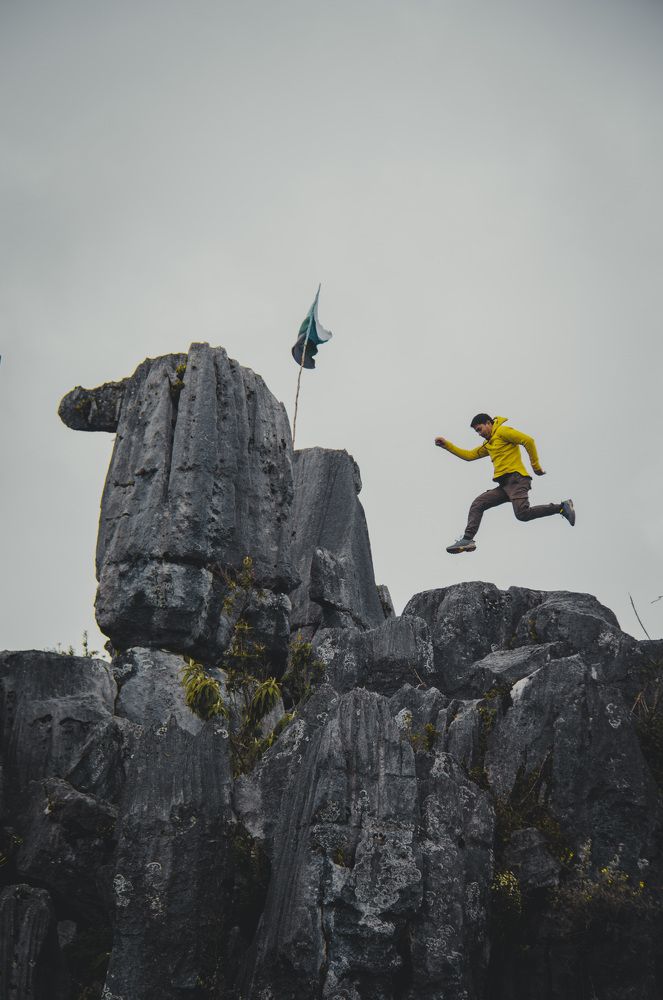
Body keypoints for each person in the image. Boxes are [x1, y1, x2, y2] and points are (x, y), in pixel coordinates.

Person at [435, 413, 575, 554]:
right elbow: (469, 455)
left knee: (522, 514)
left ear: (489, 423)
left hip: (517, 480)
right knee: (478, 503)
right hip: (504, 486)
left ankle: (562, 507)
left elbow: (528, 441)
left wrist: (536, 466)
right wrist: (447, 445)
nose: (479, 434)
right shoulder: (488, 444)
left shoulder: (503, 432)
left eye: (479, 429)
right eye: (476, 431)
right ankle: (467, 540)